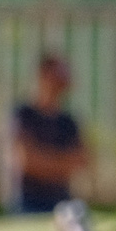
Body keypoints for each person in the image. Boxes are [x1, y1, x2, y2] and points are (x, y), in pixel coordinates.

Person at [9, 53, 91, 214]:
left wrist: (44, 161)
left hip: (62, 204)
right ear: (42, 76)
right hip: (28, 205)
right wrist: (62, 163)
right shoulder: (23, 114)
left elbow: (83, 161)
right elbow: (25, 160)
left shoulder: (68, 121)